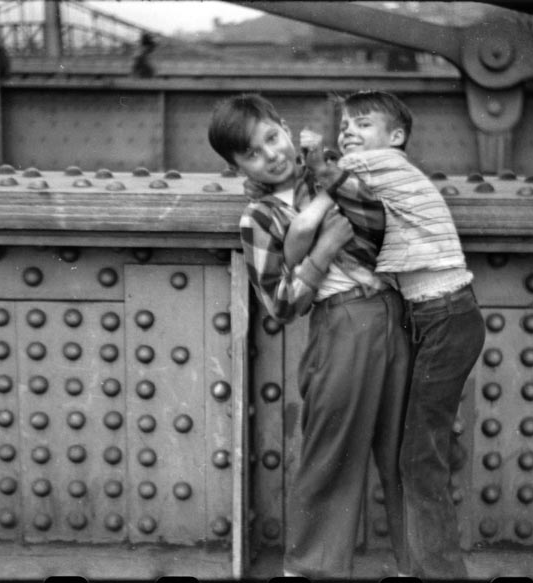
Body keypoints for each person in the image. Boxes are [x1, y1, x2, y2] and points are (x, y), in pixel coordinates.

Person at [207, 94, 411, 579]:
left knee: (406, 450)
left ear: (284, 126)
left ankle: (416, 564)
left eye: (272, 138)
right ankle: (310, 570)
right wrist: (322, 251)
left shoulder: (331, 170)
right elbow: (280, 303)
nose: (271, 155)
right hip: (341, 323)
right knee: (332, 451)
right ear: (238, 167)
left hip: (394, 314)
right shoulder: (257, 219)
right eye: (253, 153)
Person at [299, 90, 486, 579]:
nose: (348, 134)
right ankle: (426, 569)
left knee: (420, 460)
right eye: (344, 126)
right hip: (439, 317)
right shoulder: (387, 174)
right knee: (419, 453)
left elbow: (332, 178)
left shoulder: (383, 165)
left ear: (395, 138)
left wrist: (315, 152)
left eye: (362, 124)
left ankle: (438, 575)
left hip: (443, 317)